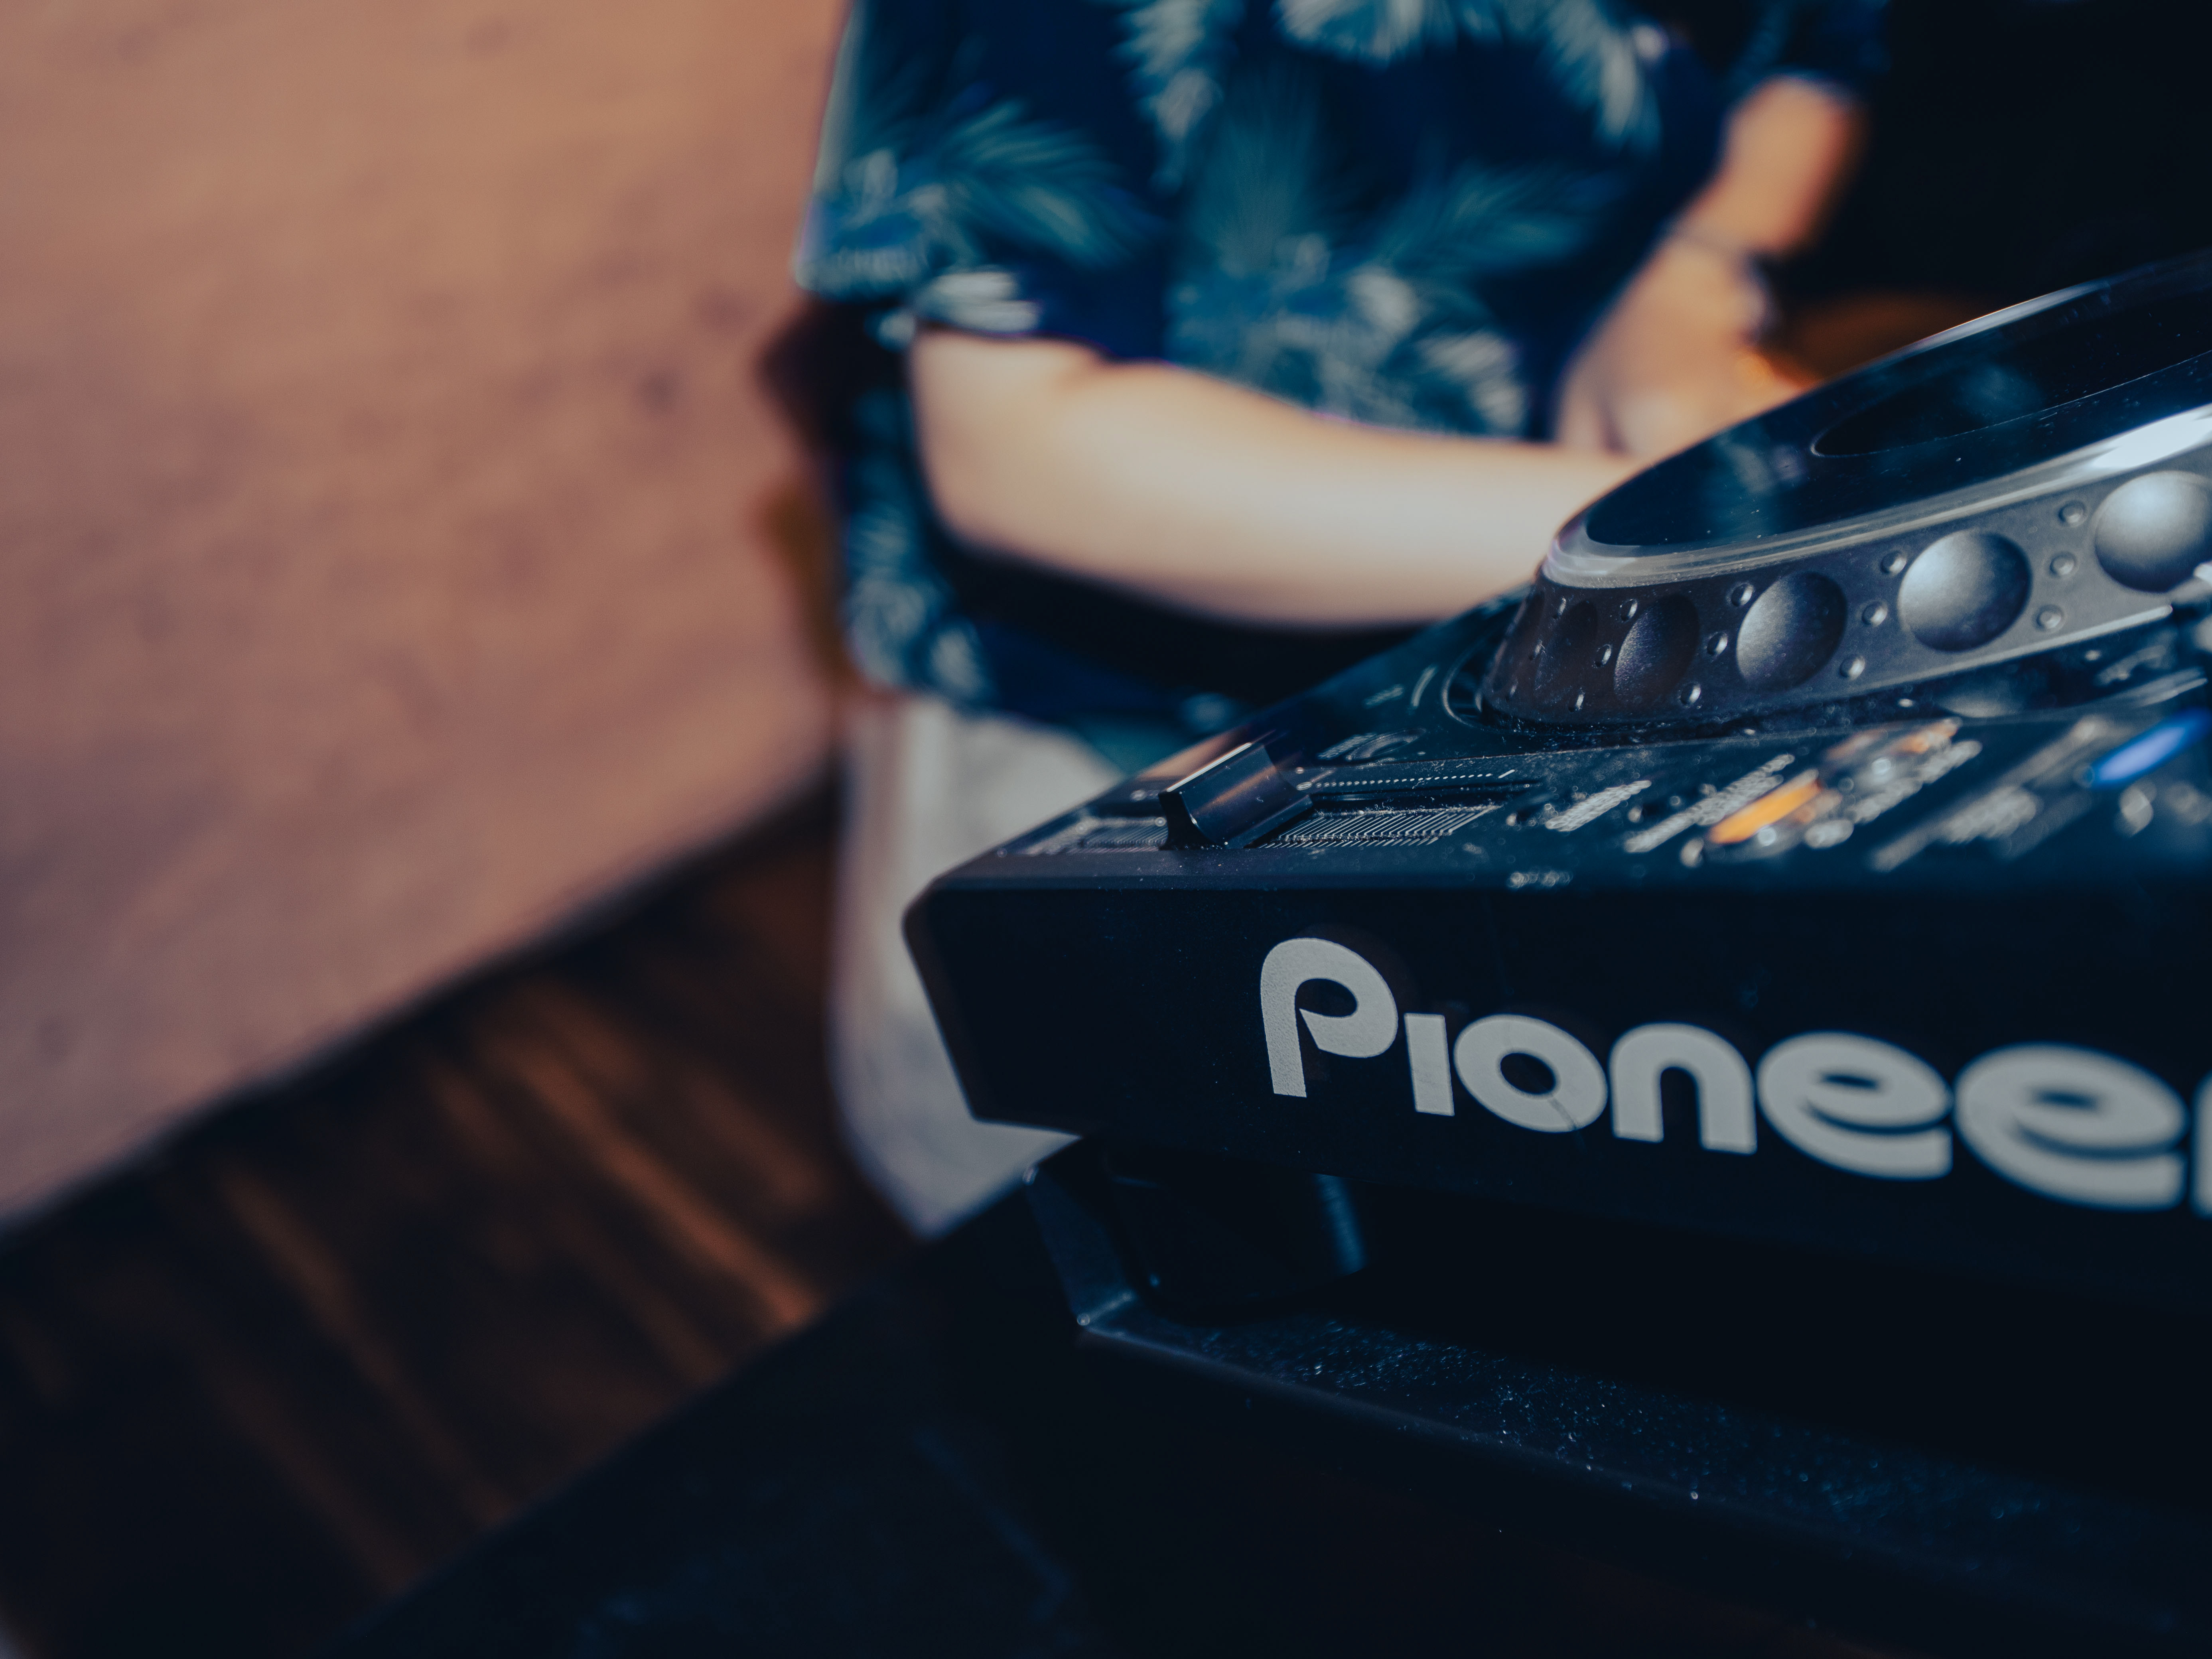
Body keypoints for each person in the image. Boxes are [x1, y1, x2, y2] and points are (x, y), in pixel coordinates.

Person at [795, 0, 1882, 1233]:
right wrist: (1670, 534)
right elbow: (1019, 452)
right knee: (1069, 1194)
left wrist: (1692, 265)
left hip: (1513, 657)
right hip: (1106, 714)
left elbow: (1818, 45)